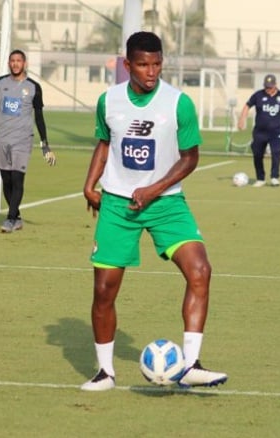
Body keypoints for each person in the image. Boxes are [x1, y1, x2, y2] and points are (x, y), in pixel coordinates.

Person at [80, 31, 228, 391]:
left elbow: (191, 157)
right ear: (127, 64)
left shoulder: (179, 103)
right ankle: (105, 372)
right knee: (104, 291)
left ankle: (190, 364)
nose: (151, 71)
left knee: (200, 270)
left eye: (157, 64)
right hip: (118, 204)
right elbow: (104, 143)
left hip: (166, 203)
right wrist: (89, 184)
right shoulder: (108, 100)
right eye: (143, 64)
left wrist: (154, 189)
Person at [0, 49, 56, 233]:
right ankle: (16, 216)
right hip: (3, 139)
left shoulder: (33, 87)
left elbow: (39, 117)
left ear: (24, 64)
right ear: (9, 63)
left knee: (18, 178)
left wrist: (45, 145)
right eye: (12, 61)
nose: (15, 63)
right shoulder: (0, 83)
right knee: (6, 180)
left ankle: (10, 219)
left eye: (19, 60)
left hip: (23, 140)